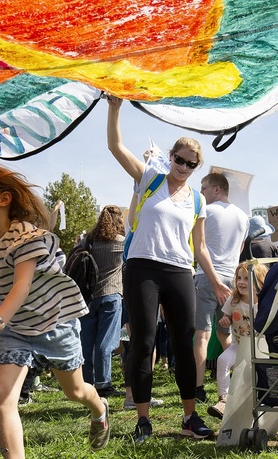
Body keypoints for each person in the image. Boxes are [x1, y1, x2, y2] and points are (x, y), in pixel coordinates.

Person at [0, 163, 110, 458]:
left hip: (55, 321)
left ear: (4, 198)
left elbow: (21, 284)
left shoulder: (27, 237)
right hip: (14, 329)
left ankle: (99, 408)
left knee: (75, 392)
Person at [106, 96, 231, 442]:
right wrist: (114, 108)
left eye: (191, 164)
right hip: (142, 268)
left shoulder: (198, 199)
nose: (183, 167)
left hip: (179, 270)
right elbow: (116, 147)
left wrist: (218, 282)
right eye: (179, 159)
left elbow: (200, 246)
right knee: (144, 342)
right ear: (170, 156)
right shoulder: (150, 177)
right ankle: (143, 420)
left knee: (184, 343)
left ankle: (190, 416)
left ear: (197, 168)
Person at [193, 172, 248, 404]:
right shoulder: (243, 217)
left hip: (207, 276)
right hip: (233, 278)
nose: (201, 193)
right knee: (226, 334)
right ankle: (238, 378)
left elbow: (198, 246)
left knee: (202, 334)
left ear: (217, 189)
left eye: (203, 188)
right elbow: (241, 247)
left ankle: (198, 386)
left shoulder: (206, 211)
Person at [207, 262, 268, 419]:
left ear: (259, 282)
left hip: (260, 347)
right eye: (239, 278)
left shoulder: (263, 303)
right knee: (222, 360)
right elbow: (226, 316)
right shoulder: (233, 300)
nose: (241, 282)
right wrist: (225, 321)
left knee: (263, 375)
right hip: (239, 345)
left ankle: (271, 408)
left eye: (247, 278)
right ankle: (224, 400)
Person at [78, 205, 125, 397]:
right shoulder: (122, 242)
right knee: (106, 341)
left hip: (89, 296)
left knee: (86, 342)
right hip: (112, 294)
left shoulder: (88, 241)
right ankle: (103, 383)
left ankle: (85, 383)